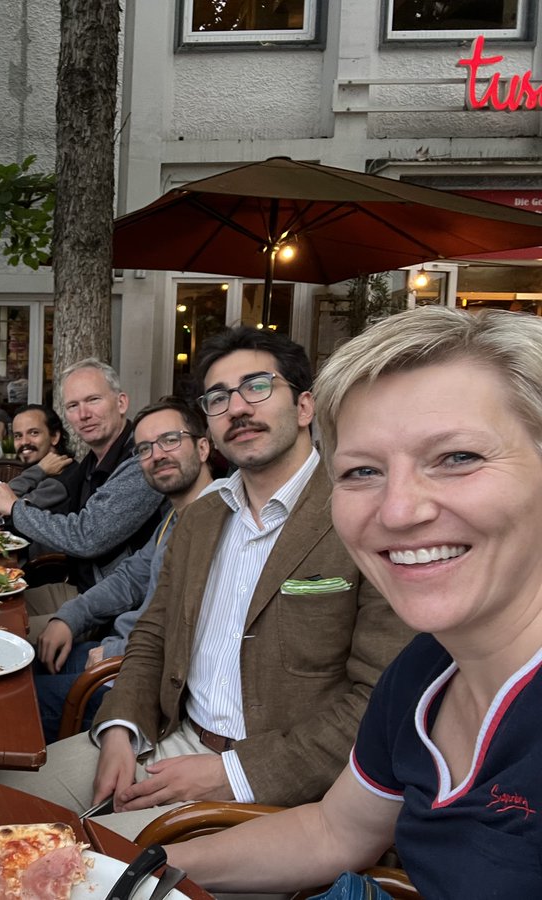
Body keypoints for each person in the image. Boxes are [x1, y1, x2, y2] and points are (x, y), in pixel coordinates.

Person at [165, 308, 542, 897]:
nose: (399, 510)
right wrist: (130, 868)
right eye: (363, 471)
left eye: (457, 458)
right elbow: (331, 833)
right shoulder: (423, 672)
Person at [0, 328, 412, 838]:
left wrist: (233, 773)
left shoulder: (365, 518)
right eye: (218, 397)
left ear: (304, 407)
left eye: (257, 386)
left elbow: (381, 702)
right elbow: (153, 634)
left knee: (63, 858)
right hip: (166, 736)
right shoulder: (202, 517)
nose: (238, 408)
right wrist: (121, 726)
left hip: (273, 784)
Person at [32, 398, 216, 742]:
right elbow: (130, 577)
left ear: (203, 448)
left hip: (136, 680)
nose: (157, 455)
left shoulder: (214, 522)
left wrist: (116, 652)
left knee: (11, 700)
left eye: (170, 440)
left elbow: (194, 629)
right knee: (21, 665)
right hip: (118, 651)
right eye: (145, 448)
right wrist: (69, 617)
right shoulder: (175, 516)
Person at [0, 359, 163, 603]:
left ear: (121, 403)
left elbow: (86, 536)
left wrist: (15, 508)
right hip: (80, 590)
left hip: (115, 607)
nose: (83, 414)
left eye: (93, 400)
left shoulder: (141, 461)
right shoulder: (92, 462)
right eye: (73, 405)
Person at [3, 404, 79, 514]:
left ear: (55, 437)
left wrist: (39, 470)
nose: (24, 442)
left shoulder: (59, 480)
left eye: (34, 433)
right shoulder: (39, 472)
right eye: (18, 436)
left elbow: (0, 511)